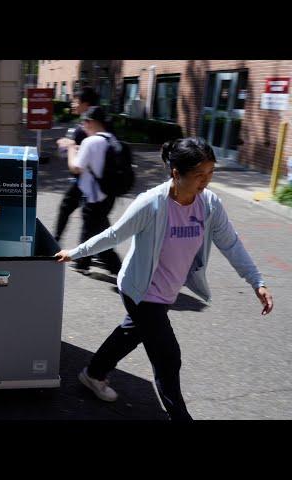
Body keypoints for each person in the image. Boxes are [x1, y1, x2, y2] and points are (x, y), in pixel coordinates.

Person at [55, 137, 274, 421]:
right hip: (140, 290)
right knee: (168, 357)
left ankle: (93, 373)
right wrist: (74, 253)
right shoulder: (151, 204)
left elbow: (231, 244)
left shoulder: (209, 205)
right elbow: (113, 235)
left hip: (167, 291)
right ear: (176, 173)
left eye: (210, 173)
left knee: (131, 333)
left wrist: (256, 281)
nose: (206, 181)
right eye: (199, 175)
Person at [70, 105, 122, 275]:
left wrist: (71, 149)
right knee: (98, 228)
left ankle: (118, 268)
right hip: (110, 195)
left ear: (91, 122)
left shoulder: (90, 141)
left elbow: (76, 168)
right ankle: (83, 262)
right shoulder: (112, 140)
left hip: (94, 196)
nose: (82, 125)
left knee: (93, 231)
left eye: (84, 121)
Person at [54, 87, 100, 244]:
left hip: (86, 180)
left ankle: (56, 243)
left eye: (76, 101)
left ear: (86, 105)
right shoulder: (83, 125)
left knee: (69, 209)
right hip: (84, 180)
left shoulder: (87, 128)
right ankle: (90, 254)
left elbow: (89, 155)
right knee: (93, 218)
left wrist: (71, 146)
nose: (72, 103)